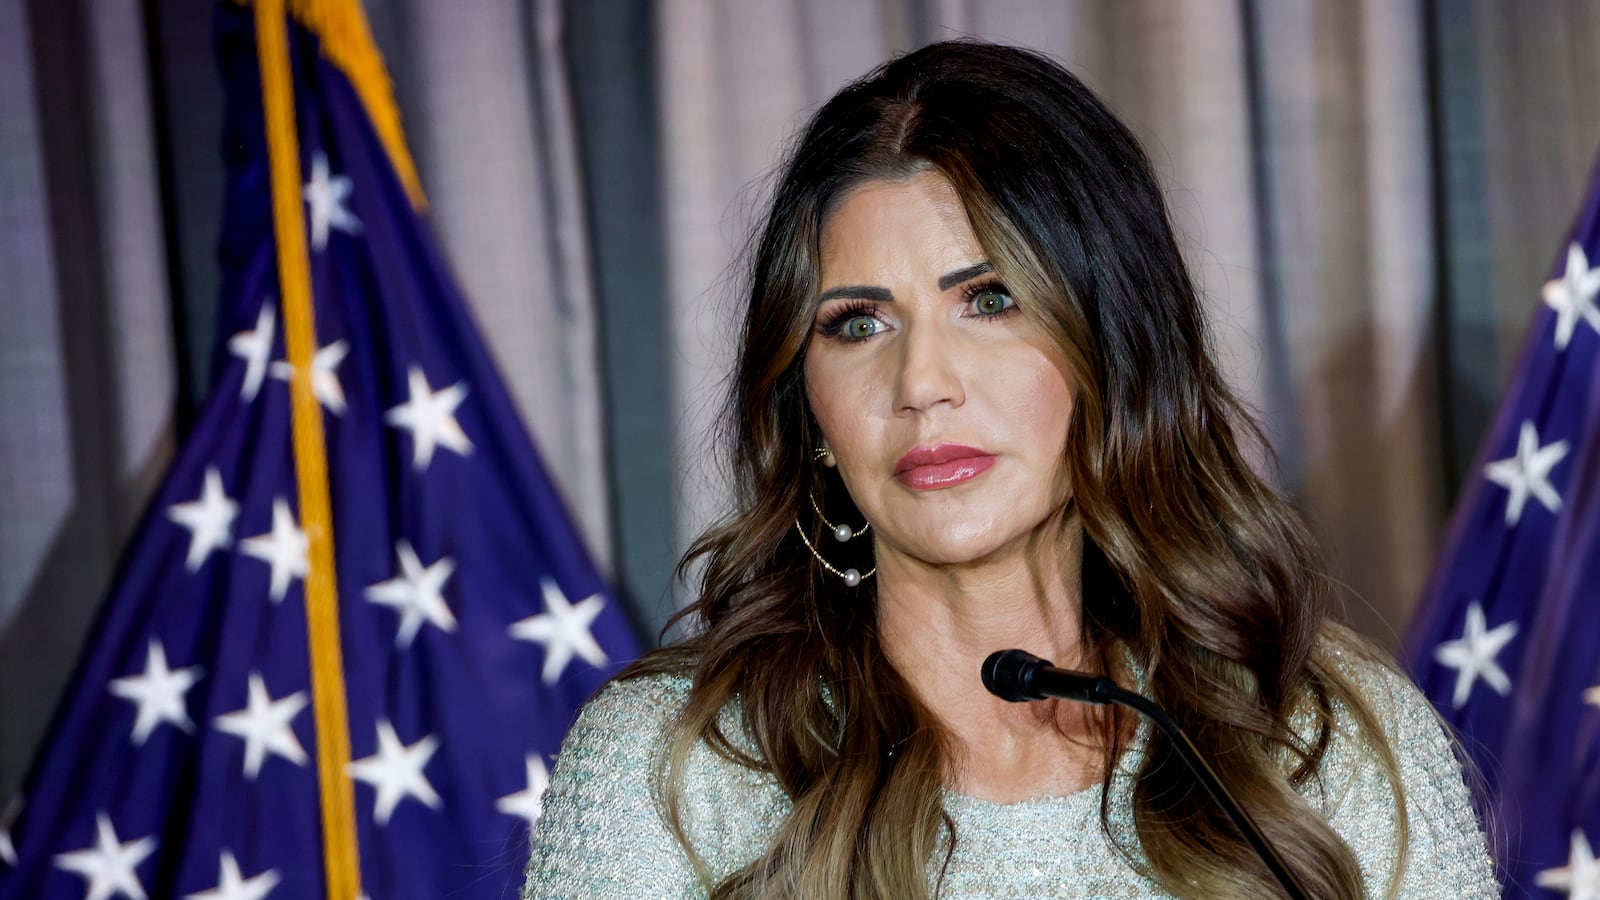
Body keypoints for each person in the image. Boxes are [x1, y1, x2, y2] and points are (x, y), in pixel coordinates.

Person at [522, 40, 1497, 899]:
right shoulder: (673, 769)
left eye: (988, 301)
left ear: (1111, 351)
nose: (921, 382)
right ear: (810, 416)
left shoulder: (1319, 739)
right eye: (857, 324)